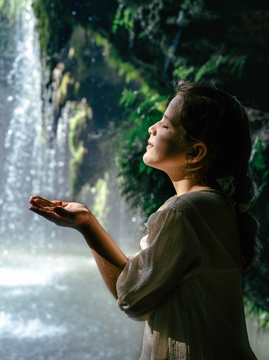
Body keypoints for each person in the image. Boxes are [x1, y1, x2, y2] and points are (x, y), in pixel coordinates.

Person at [29, 81, 260, 360]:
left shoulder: (184, 212)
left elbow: (131, 298)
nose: (152, 128)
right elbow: (145, 282)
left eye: (165, 124)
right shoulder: (217, 205)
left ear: (195, 153)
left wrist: (86, 225)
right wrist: (86, 219)